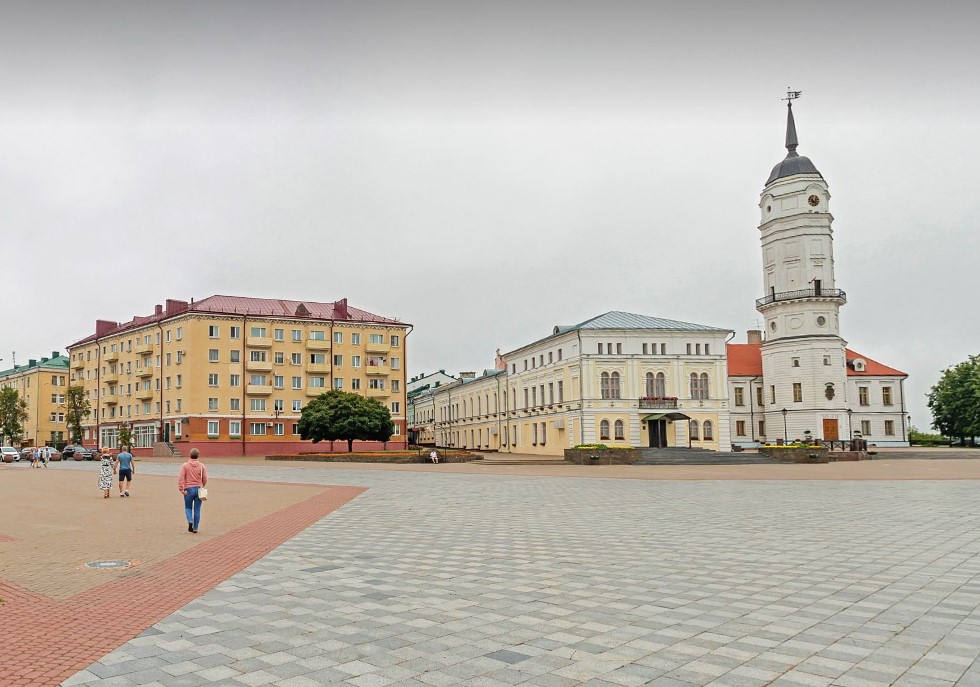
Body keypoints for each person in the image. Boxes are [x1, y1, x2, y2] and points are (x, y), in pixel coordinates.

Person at [177, 448, 208, 533]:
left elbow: (181, 478)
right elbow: (205, 478)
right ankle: (195, 528)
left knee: (188, 507)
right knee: (197, 509)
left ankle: (190, 520)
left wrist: (181, 489)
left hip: (188, 489)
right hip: (198, 489)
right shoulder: (202, 466)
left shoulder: (185, 466)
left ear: (189, 455)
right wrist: (202, 485)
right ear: (198, 456)